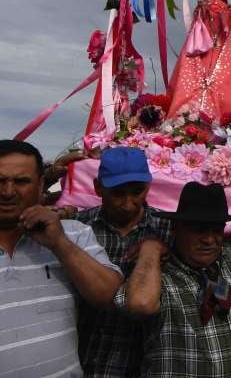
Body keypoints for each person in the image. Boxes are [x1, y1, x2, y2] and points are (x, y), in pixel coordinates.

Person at [0, 140, 124, 378]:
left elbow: (110, 296)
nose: (7, 192)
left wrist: (59, 243)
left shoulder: (73, 233)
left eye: (21, 181)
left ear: (40, 187)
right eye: (0, 181)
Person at [115, 181, 231, 377]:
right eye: (200, 229)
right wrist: (150, 249)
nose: (209, 239)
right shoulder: (157, 272)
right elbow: (140, 304)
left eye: (217, 229)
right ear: (175, 228)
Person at [74, 147, 174, 378]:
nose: (128, 203)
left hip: (142, 365)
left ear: (148, 187)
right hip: (84, 359)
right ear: (98, 188)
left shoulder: (168, 230)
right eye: (117, 193)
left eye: (137, 192)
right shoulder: (78, 227)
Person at [166, 0, 231, 121]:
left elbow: (227, 28)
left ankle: (213, 117)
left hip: (218, 47)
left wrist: (226, 16)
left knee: (219, 78)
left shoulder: (225, 11)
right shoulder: (205, 8)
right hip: (203, 47)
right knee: (195, 77)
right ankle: (187, 116)